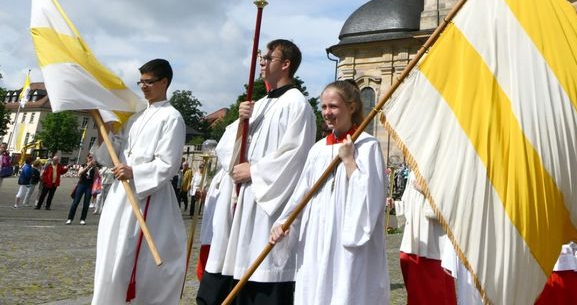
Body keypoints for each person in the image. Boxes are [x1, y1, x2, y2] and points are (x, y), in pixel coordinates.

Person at [199, 40, 316, 305]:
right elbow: (226, 147)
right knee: (232, 267)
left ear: (285, 64)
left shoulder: (298, 105)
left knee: (259, 273)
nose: (261, 62)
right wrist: (241, 122)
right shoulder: (257, 104)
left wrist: (254, 170)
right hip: (239, 201)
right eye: (261, 57)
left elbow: (295, 157)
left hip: (266, 205)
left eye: (268, 57)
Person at [270, 79, 389, 304]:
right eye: (324, 107)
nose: (327, 112)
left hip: (348, 243)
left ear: (351, 107)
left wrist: (348, 160)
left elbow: (370, 200)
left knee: (346, 291)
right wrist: (284, 223)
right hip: (316, 237)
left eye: (333, 106)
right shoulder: (317, 150)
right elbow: (302, 195)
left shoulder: (367, 146)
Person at [92, 58, 187, 305]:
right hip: (119, 196)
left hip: (147, 197)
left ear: (164, 82)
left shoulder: (172, 117)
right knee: (110, 254)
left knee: (130, 257)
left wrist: (135, 172)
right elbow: (111, 155)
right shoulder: (136, 116)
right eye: (141, 82)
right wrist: (104, 131)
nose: (143, 87)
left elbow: (168, 164)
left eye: (149, 82)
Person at [399, 178, 455, 304]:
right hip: (412, 243)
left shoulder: (441, 171)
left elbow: (448, 209)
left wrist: (427, 192)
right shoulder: (413, 173)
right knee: (416, 292)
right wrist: (393, 205)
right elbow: (407, 205)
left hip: (433, 244)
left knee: (435, 294)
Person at [66, 154, 97, 224]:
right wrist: (88, 166)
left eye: (92, 158)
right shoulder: (83, 165)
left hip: (89, 186)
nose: (91, 159)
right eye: (89, 157)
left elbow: (97, 176)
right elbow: (79, 173)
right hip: (81, 185)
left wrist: (95, 167)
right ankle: (70, 218)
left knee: (86, 203)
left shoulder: (95, 167)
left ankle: (83, 219)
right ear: (87, 158)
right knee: (75, 202)